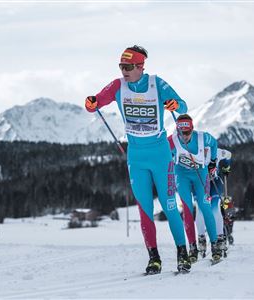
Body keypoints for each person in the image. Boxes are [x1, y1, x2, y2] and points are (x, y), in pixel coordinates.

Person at [85, 45, 191, 274]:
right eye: (121, 66)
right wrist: (91, 102)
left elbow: (182, 106)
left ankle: (183, 254)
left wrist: (174, 105)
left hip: (161, 154)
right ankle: (154, 258)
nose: (124, 71)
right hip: (136, 155)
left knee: (170, 206)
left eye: (129, 67)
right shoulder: (118, 85)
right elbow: (98, 100)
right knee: (144, 209)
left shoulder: (156, 83)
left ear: (141, 67)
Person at [167, 114, 222, 263]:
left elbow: (214, 144)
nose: (184, 136)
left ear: (192, 129)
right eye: (181, 133)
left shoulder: (203, 137)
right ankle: (192, 248)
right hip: (182, 175)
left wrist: (212, 162)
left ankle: (215, 246)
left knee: (205, 207)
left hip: (200, 174)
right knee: (187, 209)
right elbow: (161, 153)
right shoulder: (172, 140)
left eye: (187, 133)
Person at [196, 148, 232, 256]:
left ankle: (220, 238)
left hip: (214, 182)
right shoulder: (195, 150)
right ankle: (201, 238)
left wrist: (226, 166)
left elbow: (228, 155)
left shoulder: (217, 151)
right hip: (200, 183)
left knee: (215, 207)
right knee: (201, 209)